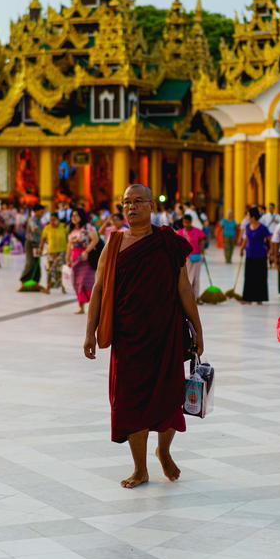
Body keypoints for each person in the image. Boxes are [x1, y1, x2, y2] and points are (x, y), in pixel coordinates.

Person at [83, 184, 204, 488]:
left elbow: (184, 289)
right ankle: (140, 468)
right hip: (128, 337)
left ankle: (164, 451)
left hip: (166, 334)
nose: (132, 207)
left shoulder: (168, 243)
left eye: (138, 202)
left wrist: (198, 329)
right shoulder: (113, 244)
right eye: (126, 203)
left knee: (169, 396)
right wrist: (89, 332)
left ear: (151, 206)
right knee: (128, 400)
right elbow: (98, 289)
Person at [66, 208, 99, 314]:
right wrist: (67, 258)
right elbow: (69, 246)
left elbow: (95, 239)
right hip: (74, 259)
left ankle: (96, 305)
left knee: (87, 281)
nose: (74, 218)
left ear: (81, 216)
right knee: (77, 282)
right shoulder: (71, 231)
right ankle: (81, 307)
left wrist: (86, 251)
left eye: (76, 215)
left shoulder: (87, 228)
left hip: (85, 259)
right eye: (72, 216)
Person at [240, 207, 271, 304]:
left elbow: (269, 239)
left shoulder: (263, 227)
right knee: (249, 277)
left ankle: (259, 299)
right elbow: (246, 239)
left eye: (248, 215)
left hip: (261, 255)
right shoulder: (247, 227)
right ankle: (248, 298)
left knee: (260, 277)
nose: (247, 217)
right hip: (249, 255)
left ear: (253, 217)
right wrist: (242, 249)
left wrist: (270, 251)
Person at [176, 214, 206, 300]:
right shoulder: (180, 232)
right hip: (186, 258)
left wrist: (202, 249)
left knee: (196, 278)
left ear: (190, 222)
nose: (186, 224)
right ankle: (187, 297)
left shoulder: (197, 231)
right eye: (184, 222)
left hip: (196, 256)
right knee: (188, 277)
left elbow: (202, 239)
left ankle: (196, 297)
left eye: (187, 223)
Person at [39, 213, 68, 293]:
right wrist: (40, 248)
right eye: (50, 220)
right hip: (51, 252)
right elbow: (43, 239)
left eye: (54, 220)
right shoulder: (47, 228)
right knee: (49, 270)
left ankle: (63, 287)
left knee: (60, 270)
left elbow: (69, 237)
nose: (52, 222)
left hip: (62, 252)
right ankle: (48, 288)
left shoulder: (64, 227)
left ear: (58, 220)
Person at [18, 204, 45, 290]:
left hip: (37, 244)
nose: (42, 214)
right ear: (36, 211)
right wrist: (44, 235)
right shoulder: (32, 219)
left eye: (43, 212)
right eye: (41, 212)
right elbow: (35, 229)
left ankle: (34, 282)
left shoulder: (39, 220)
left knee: (37, 263)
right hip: (30, 244)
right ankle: (24, 280)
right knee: (30, 262)